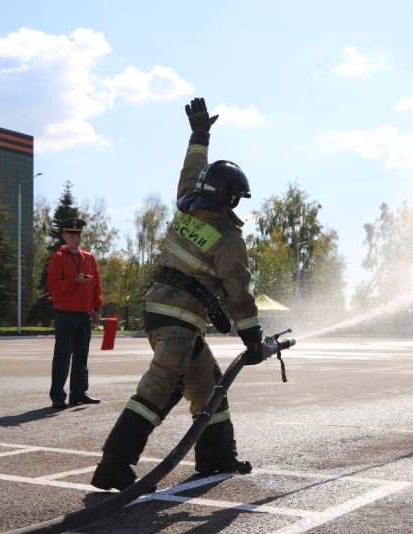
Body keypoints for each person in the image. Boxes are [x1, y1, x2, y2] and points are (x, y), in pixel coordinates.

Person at [90, 97, 267, 491]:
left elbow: (192, 170)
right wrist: (253, 339)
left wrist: (199, 134)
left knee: (208, 384)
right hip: (181, 320)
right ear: (230, 197)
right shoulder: (228, 237)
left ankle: (217, 457)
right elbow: (239, 294)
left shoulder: (186, 207)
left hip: (161, 310)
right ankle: (113, 466)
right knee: (161, 387)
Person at [47, 218, 104, 409]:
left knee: (81, 355)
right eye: (71, 235)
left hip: (84, 314)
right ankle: (57, 396)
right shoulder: (59, 258)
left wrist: (97, 309)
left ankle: (79, 393)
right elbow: (53, 286)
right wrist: (75, 281)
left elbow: (96, 286)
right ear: (64, 236)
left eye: (78, 234)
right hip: (65, 313)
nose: (75, 238)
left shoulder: (89, 258)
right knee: (63, 355)